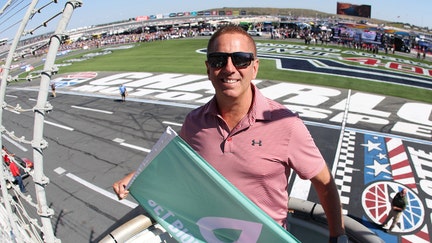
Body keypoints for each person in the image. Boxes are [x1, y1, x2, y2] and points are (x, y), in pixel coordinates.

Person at [113, 25, 346, 242]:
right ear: (208, 69)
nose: (229, 68)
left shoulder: (286, 125)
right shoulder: (194, 121)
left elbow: (324, 183)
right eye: (218, 60)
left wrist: (337, 237)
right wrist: (135, 176)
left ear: (254, 68)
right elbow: (172, 159)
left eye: (241, 60)